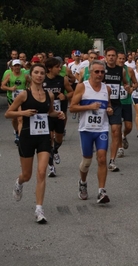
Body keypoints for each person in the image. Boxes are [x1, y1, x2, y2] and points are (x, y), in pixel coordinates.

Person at [5, 63, 65, 223]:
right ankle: (19, 182)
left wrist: (58, 114)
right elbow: (8, 113)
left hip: (44, 136)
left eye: (42, 73)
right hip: (27, 136)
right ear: (31, 75)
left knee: (41, 172)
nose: (39, 75)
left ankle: (39, 209)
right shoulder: (24, 95)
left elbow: (49, 112)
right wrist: (23, 112)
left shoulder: (48, 95)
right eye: (36, 72)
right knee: (27, 174)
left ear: (45, 76)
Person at [69, 60, 113, 204]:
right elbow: (72, 108)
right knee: (87, 162)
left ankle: (101, 191)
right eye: (97, 71)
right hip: (86, 129)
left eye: (102, 72)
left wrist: (109, 110)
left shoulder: (107, 89)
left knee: (101, 158)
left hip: (102, 128)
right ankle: (82, 182)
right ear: (90, 72)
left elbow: (109, 105)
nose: (100, 74)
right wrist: (89, 107)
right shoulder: (82, 87)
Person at [43, 58, 74, 177]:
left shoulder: (63, 79)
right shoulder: (42, 80)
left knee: (59, 138)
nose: (60, 68)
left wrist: (65, 96)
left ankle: (55, 150)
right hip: (46, 114)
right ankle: (51, 167)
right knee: (49, 138)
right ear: (50, 68)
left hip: (59, 113)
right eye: (57, 67)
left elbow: (72, 92)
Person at [103, 47, 132, 172]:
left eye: (113, 55)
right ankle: (101, 155)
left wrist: (127, 87)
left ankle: (112, 160)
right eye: (109, 55)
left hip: (116, 104)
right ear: (105, 56)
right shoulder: (100, 69)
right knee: (102, 133)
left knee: (116, 130)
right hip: (101, 105)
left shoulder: (121, 70)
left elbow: (125, 83)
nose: (111, 57)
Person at [1, 59, 30, 145]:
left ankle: (20, 138)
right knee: (14, 118)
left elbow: (32, 83)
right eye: (15, 66)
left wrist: (28, 89)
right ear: (12, 67)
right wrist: (10, 89)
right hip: (12, 99)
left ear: (20, 66)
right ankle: (17, 132)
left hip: (22, 100)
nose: (17, 67)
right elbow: (2, 86)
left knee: (20, 118)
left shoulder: (24, 76)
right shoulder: (9, 75)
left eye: (18, 66)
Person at [116, 52, 138, 158]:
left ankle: (123, 135)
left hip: (126, 102)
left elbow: (136, 83)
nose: (121, 60)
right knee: (118, 126)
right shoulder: (112, 70)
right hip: (116, 103)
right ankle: (120, 148)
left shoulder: (129, 70)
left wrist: (132, 89)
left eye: (122, 59)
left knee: (129, 127)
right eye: (119, 58)